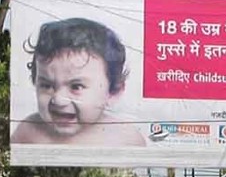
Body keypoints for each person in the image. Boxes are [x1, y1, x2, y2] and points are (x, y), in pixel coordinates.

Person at [12, 17, 146, 147]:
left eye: (76, 86)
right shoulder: (28, 132)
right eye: (47, 86)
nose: (59, 100)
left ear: (113, 92)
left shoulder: (126, 138)